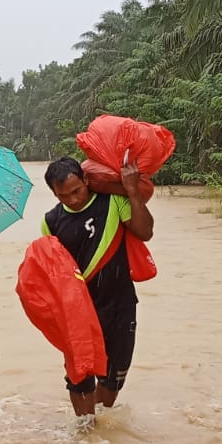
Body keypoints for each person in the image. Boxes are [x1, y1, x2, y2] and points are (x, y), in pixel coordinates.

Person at [41, 155, 154, 424]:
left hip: (119, 304)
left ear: (86, 180)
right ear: (54, 193)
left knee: (114, 377)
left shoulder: (113, 202)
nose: (73, 199)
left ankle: (101, 429)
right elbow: (52, 270)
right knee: (79, 375)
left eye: (77, 191)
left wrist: (132, 190)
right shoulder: (51, 221)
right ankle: (86, 432)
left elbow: (145, 231)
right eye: (63, 195)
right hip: (77, 311)